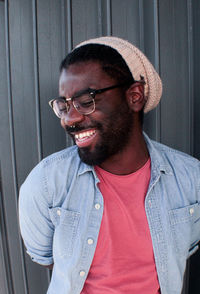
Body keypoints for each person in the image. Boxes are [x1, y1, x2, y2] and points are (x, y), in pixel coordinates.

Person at [19, 36, 200, 294]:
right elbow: (46, 257)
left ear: (134, 96)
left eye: (86, 100)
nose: (69, 119)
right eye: (64, 105)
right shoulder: (46, 183)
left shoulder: (190, 180)